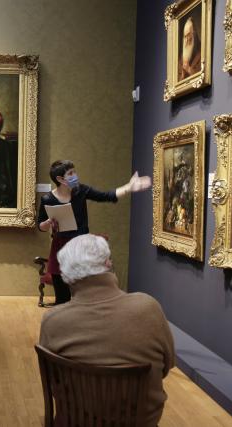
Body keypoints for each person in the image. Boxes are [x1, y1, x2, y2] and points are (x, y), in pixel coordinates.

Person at [39, 234, 175, 427]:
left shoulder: (54, 321)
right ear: (108, 263)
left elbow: (55, 383)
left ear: (65, 274)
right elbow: (166, 367)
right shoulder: (149, 308)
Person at [37, 160, 151, 304]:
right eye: (70, 173)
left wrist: (129, 187)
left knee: (87, 296)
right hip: (60, 249)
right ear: (60, 179)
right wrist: (47, 223)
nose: (75, 176)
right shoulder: (48, 199)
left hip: (82, 247)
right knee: (62, 299)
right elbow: (40, 226)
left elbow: (106, 196)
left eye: (74, 171)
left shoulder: (81, 190)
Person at [178, 16, 201, 80]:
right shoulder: (181, 57)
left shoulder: (201, 51)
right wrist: (183, 73)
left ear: (194, 33)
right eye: (185, 36)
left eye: (189, 35)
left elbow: (201, 75)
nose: (187, 40)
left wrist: (188, 69)